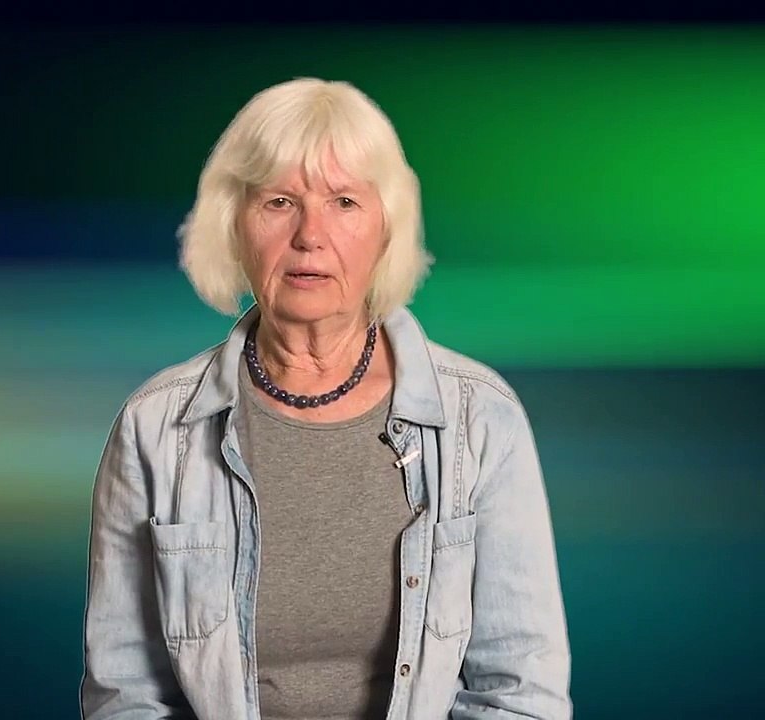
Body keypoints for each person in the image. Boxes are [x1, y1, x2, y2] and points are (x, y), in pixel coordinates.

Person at [80, 78, 572, 720]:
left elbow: (519, 693)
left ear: (386, 229)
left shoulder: (480, 419)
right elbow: (126, 698)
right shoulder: (155, 427)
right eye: (279, 201)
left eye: (344, 201)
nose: (311, 235)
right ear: (232, 223)